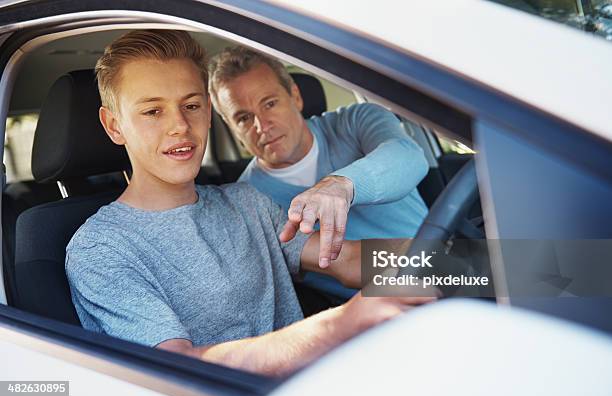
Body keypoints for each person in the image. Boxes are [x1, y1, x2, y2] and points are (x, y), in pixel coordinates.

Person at [65, 30, 437, 377]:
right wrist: (340, 323)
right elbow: (175, 364)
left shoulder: (246, 203)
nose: (179, 126)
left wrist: (476, 264)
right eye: (152, 111)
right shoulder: (100, 248)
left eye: (191, 105)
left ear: (208, 113)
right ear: (114, 126)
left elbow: (349, 260)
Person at [208, 47, 430, 298]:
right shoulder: (247, 204)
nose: (262, 126)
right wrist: (463, 267)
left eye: (270, 104)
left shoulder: (356, 121)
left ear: (295, 96)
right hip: (396, 307)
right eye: (244, 118)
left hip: (454, 260)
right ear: (231, 128)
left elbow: (409, 157)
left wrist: (343, 185)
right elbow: (351, 262)